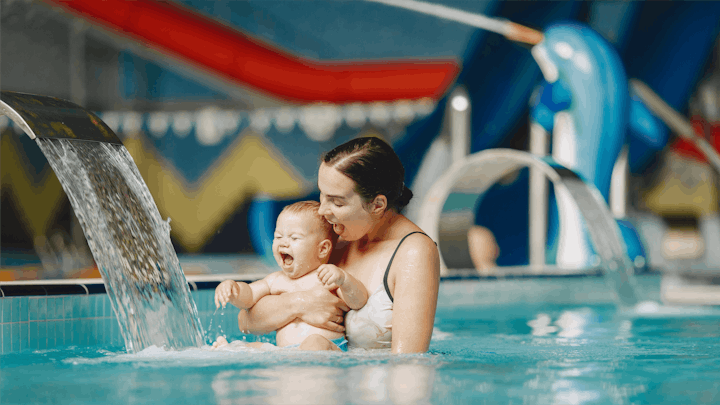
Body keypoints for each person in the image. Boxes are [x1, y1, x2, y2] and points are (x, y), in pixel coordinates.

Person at [240, 136, 441, 353]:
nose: (321, 210)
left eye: (337, 202)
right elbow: (246, 321)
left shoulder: (413, 253)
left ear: (377, 204)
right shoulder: (334, 237)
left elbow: (408, 365)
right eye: (322, 195)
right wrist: (300, 303)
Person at [213, 201, 368, 351]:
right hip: (287, 352)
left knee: (314, 342)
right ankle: (229, 350)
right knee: (256, 347)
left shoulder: (327, 275)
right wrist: (233, 289)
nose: (283, 243)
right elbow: (249, 297)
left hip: (327, 347)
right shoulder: (275, 280)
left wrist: (344, 279)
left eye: (294, 238)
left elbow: (358, 301)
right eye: (278, 237)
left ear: (322, 249)